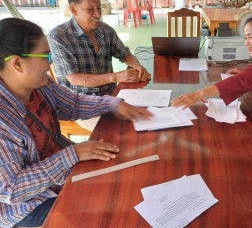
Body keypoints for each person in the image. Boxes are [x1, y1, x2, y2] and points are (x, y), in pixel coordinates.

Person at [0, 18, 152, 227]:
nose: (51, 62)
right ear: (17, 63)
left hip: (62, 171)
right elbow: (11, 189)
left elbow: (73, 104)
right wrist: (72, 155)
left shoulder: (40, 85)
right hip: (29, 203)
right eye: (46, 55)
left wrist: (113, 104)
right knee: (105, 213)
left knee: (124, 179)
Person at [48, 0, 151, 97]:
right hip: (79, 103)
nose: (97, 14)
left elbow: (125, 54)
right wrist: (117, 76)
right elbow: (74, 78)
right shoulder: (58, 36)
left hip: (109, 96)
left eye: (99, 8)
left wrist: (137, 66)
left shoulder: (105, 30)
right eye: (90, 9)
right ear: (74, 9)